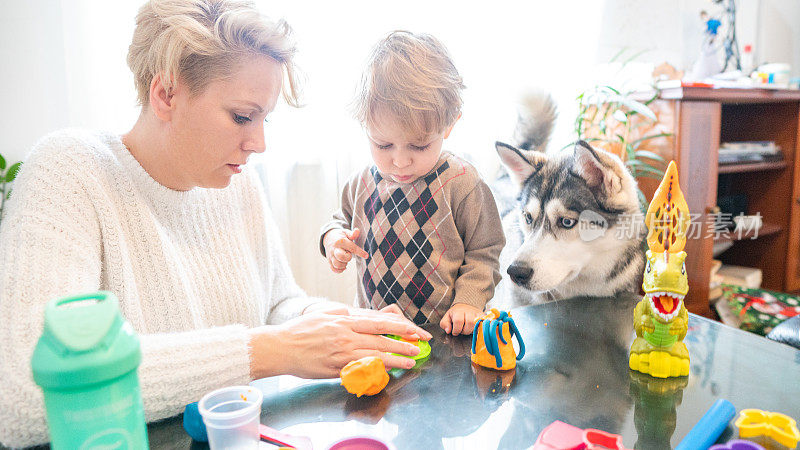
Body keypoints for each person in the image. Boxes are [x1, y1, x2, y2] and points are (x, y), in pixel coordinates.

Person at [0, 1, 430, 447]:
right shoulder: (68, 171)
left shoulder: (233, 182)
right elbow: (21, 392)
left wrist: (338, 325)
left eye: (264, 118)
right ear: (166, 94)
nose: (259, 142)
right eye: (243, 116)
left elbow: (278, 304)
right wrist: (275, 349)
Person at [319, 31, 505, 335]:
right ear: (365, 127)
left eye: (419, 146)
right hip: (377, 332)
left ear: (449, 125)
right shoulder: (360, 183)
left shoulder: (462, 183)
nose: (400, 161)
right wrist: (333, 240)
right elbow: (339, 220)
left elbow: (485, 251)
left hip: (445, 335)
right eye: (383, 145)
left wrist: (469, 302)